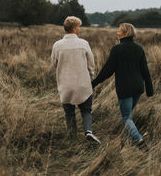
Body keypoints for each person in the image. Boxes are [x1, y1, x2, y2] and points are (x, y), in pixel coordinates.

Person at [92, 23, 153, 146]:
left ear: (125, 33)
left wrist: (94, 83)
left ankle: (138, 139)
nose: (117, 33)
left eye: (119, 31)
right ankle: (124, 142)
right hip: (138, 87)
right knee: (128, 115)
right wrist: (149, 88)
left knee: (126, 117)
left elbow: (107, 71)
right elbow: (145, 70)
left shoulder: (117, 49)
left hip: (125, 88)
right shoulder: (139, 48)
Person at [51, 16, 101, 144]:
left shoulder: (57, 45)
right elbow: (91, 65)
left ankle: (72, 138)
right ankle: (88, 132)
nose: (79, 29)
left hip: (65, 84)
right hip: (83, 84)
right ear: (74, 28)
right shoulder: (84, 44)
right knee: (86, 110)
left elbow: (54, 63)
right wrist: (91, 77)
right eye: (78, 27)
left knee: (69, 112)